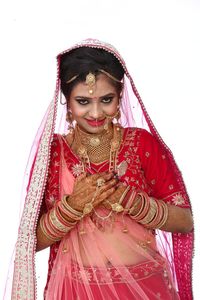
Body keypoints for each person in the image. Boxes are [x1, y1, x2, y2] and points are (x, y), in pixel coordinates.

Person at [10, 38, 193, 300]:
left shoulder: (142, 144)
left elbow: (184, 222)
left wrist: (133, 202)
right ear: (67, 102)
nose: (96, 113)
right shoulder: (53, 154)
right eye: (83, 101)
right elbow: (30, 241)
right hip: (74, 290)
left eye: (106, 99)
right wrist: (72, 206)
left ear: (120, 97)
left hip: (145, 290)